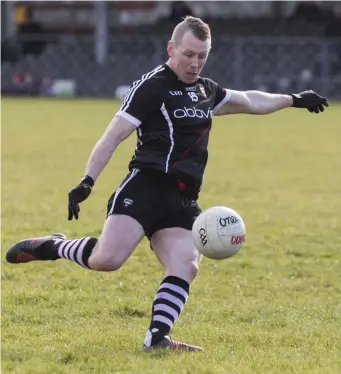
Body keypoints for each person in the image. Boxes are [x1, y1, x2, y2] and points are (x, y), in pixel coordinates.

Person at [6, 16, 329, 352]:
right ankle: (53, 246)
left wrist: (293, 99)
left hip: (183, 199)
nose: (195, 62)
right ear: (172, 48)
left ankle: (156, 339)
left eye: (202, 56)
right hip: (144, 188)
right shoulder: (150, 87)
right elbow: (113, 136)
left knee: (186, 264)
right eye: (189, 54)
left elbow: (249, 101)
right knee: (107, 259)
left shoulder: (206, 90)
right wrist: (87, 182)